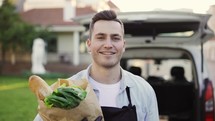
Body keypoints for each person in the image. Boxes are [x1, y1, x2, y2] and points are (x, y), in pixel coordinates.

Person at [34, 10, 159, 121]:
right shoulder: (63, 91)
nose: (108, 44)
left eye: (115, 38)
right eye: (101, 37)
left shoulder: (144, 91)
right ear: (89, 44)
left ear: (124, 45)